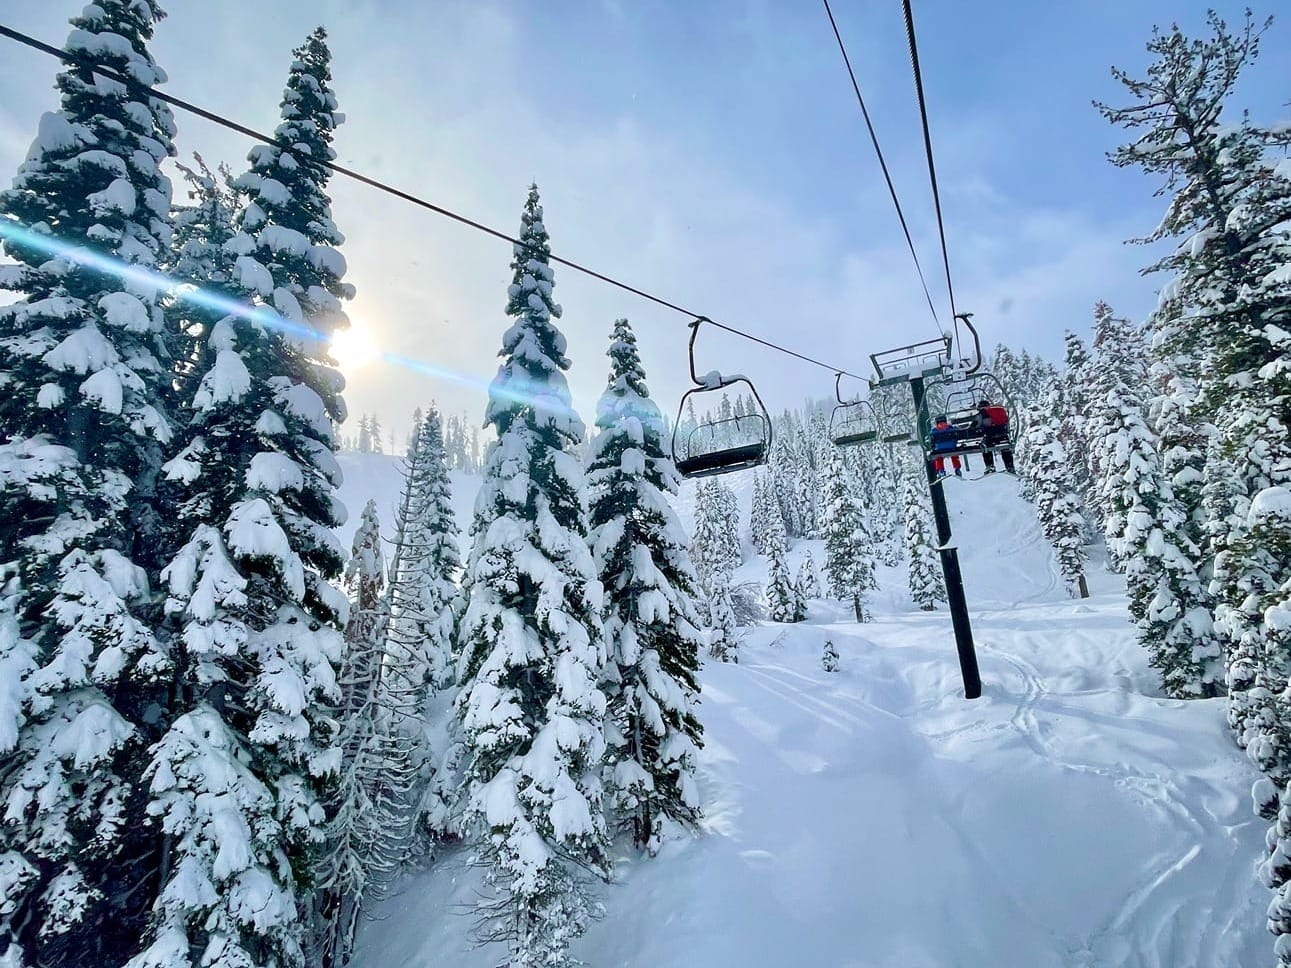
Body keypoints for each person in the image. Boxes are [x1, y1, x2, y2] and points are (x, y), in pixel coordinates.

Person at [976, 398, 1015, 474]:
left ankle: (990, 466)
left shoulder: (982, 412)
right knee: (1005, 448)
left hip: (990, 436)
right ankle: (1010, 467)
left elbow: (978, 425)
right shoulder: (1000, 409)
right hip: (1003, 435)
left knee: (985, 448)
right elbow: (1006, 421)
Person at [928, 414, 962, 478]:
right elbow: (956, 435)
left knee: (938, 457)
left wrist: (934, 446)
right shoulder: (950, 428)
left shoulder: (934, 430)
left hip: (940, 448)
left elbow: (931, 439)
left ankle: (941, 470)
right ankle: (957, 468)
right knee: (954, 455)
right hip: (951, 447)